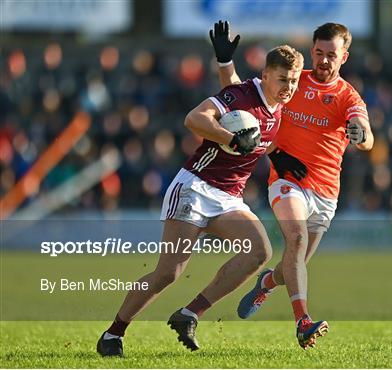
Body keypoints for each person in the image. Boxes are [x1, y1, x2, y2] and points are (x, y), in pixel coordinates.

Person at [96, 41, 304, 356]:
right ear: (265, 74)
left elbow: (259, 135)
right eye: (282, 79)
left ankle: (190, 313)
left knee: (259, 251)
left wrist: (279, 158)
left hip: (229, 198)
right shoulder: (244, 94)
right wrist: (230, 137)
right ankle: (113, 334)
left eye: (294, 80)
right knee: (169, 272)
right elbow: (195, 118)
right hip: (195, 187)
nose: (288, 86)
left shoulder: (277, 109)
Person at [210, 21, 374, 349]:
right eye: (318, 53)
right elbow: (241, 100)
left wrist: (360, 134)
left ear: (344, 57)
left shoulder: (348, 96)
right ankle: (303, 322)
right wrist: (225, 63)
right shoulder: (294, 82)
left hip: (326, 193)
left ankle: (267, 283)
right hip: (287, 180)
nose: (324, 60)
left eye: (331, 55)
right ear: (312, 51)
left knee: (291, 267)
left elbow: (364, 132)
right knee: (295, 240)